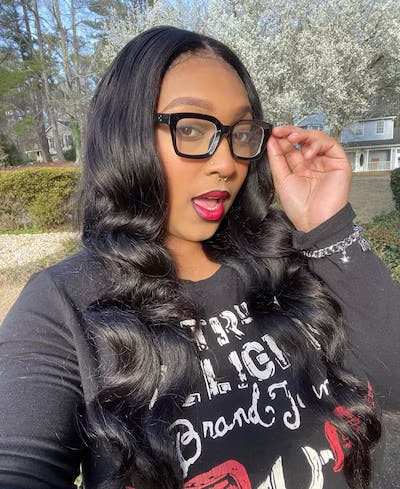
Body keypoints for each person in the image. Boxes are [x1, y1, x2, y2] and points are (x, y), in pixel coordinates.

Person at [0, 26, 399, 489]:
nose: (227, 163)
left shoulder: (286, 259)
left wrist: (328, 226)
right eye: (190, 128)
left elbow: (394, 384)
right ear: (126, 135)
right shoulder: (64, 305)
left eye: (240, 133)